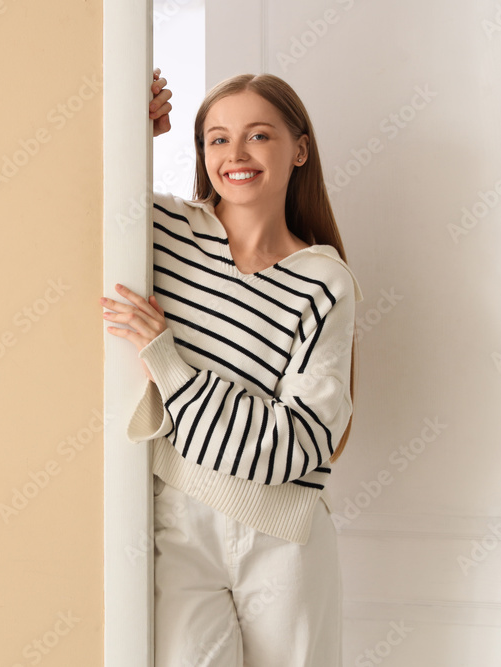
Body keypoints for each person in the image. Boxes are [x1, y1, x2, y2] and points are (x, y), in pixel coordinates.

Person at [99, 68, 364, 666]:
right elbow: (70, 198)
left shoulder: (325, 281)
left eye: (258, 136)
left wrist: (169, 366)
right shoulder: (163, 231)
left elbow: (295, 445)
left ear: (299, 149)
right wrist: (128, 132)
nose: (235, 154)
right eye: (216, 138)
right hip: (176, 521)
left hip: (285, 538)